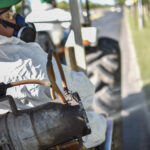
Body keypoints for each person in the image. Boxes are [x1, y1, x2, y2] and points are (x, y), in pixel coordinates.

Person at [0, 0, 107, 149]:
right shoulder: (28, 60)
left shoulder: (33, 16)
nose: (16, 18)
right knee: (100, 123)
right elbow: (85, 95)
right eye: (10, 13)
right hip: (50, 137)